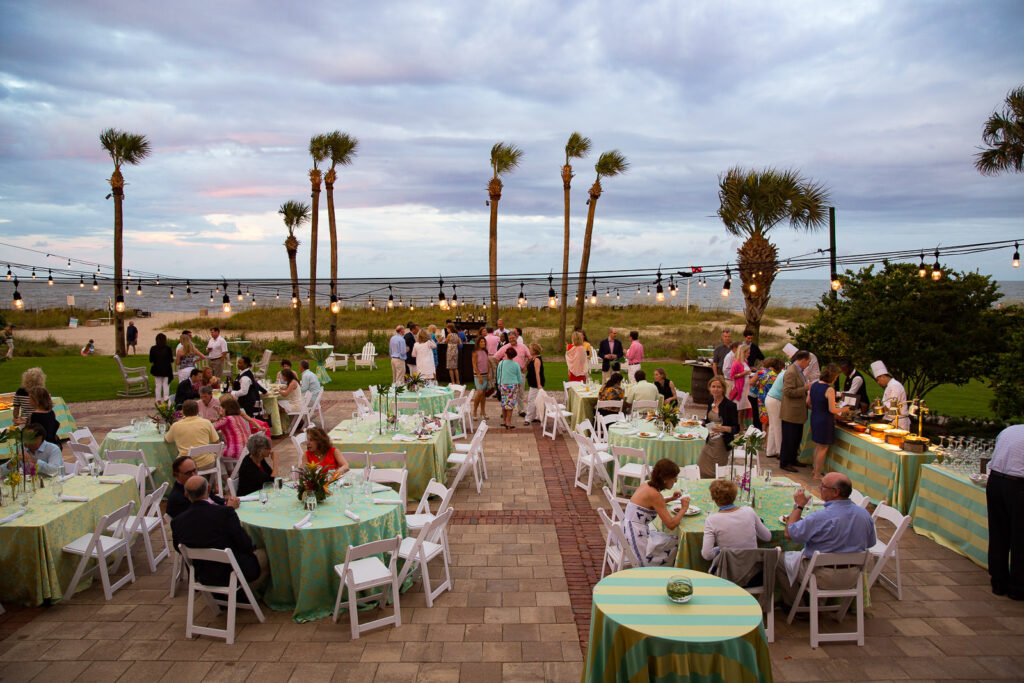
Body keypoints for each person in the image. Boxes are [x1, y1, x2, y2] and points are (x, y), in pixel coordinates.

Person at [778, 473, 876, 605]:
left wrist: (799, 506)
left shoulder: (821, 516)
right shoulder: (864, 515)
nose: (819, 488)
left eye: (823, 486)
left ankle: (796, 604)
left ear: (836, 492)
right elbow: (870, 543)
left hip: (821, 576)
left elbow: (790, 534)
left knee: (778, 558)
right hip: (853, 576)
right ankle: (822, 602)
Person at [171, 476, 268, 589]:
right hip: (231, 572)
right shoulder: (225, 513)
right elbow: (245, 544)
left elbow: (178, 548)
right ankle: (248, 593)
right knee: (266, 554)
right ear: (208, 489)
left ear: (186, 495)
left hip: (203, 575)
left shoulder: (177, 522)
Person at [623, 459, 689, 566]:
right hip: (636, 538)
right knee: (677, 543)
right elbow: (671, 525)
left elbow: (650, 504)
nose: (676, 481)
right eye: (674, 478)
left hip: (627, 531)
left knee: (669, 539)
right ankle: (663, 573)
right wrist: (683, 509)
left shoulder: (646, 485)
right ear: (665, 479)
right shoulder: (655, 495)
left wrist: (671, 498)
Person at [986, 423, 1024, 600]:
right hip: (1017, 486)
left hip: (995, 481)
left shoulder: (1010, 430)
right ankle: (1018, 587)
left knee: (999, 533)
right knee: (1020, 538)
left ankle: (998, 582)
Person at [701, 478, 772, 562]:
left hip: (728, 569)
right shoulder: (749, 511)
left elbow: (707, 555)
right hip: (754, 568)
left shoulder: (711, 520)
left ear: (714, 499)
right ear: (734, 496)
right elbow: (767, 537)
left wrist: (720, 550)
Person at [809, 364, 851, 480]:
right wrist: (844, 409)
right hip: (825, 420)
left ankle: (815, 469)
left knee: (818, 446)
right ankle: (817, 473)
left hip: (815, 417)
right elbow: (832, 409)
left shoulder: (814, 385)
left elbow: (809, 402)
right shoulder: (829, 389)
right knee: (823, 447)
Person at [166, 455, 239, 518]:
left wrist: (226, 501)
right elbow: (203, 519)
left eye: (195, 471)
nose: (193, 475)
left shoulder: (197, 484)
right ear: (176, 476)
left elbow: (212, 497)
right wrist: (229, 508)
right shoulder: (178, 499)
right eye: (188, 473)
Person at [698, 376, 739, 478]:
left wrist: (725, 428)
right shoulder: (711, 401)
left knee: (716, 472)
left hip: (721, 443)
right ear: (709, 388)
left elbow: (736, 428)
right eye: (713, 386)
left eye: (719, 387)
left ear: (723, 389)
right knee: (701, 467)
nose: (716, 389)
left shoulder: (730, 406)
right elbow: (709, 420)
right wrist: (701, 422)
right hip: (710, 440)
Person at [779, 350, 813, 473]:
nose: (809, 364)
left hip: (798, 412)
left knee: (796, 437)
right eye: (808, 361)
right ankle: (785, 462)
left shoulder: (798, 371)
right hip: (791, 412)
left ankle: (793, 459)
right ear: (803, 360)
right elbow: (788, 391)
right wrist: (804, 388)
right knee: (789, 438)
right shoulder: (792, 372)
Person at [163, 400, 219, 465]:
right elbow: (216, 441)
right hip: (207, 463)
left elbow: (167, 439)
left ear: (183, 412)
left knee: (178, 465)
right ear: (198, 411)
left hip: (186, 465)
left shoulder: (176, 425)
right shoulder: (206, 422)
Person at [494, 330, 530, 415]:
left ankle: (521, 410)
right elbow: (496, 357)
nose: (512, 340)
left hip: (520, 372)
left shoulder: (523, 347)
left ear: (516, 337)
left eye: (513, 338)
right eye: (510, 338)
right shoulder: (505, 347)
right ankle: (505, 411)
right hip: (508, 374)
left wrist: (526, 367)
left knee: (520, 392)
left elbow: (530, 357)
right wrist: (502, 366)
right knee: (506, 393)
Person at [213, 395, 259, 460]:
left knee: (213, 456)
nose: (221, 410)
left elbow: (211, 428)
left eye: (222, 408)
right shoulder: (238, 417)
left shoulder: (226, 420)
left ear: (227, 409)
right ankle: (231, 469)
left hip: (236, 451)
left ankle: (228, 470)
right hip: (247, 449)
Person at [870, 361, 910, 430]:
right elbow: (886, 402)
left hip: (899, 422)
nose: (878, 383)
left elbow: (891, 405)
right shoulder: (889, 386)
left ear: (883, 376)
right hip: (890, 420)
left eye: (878, 380)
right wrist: (877, 404)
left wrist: (874, 412)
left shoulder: (895, 386)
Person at [752, 357, 784, 433]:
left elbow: (751, 382)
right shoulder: (776, 376)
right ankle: (768, 439)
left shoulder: (761, 372)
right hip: (773, 399)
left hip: (761, 398)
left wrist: (760, 385)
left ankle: (764, 439)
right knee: (771, 420)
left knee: (764, 420)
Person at [496, 346, 523, 430]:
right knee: (510, 404)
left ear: (506, 354)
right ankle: (508, 422)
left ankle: (504, 421)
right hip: (513, 385)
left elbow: (498, 374)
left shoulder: (501, 363)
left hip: (503, 384)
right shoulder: (516, 364)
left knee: (504, 403)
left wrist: (498, 383)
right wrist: (520, 384)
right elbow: (519, 376)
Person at [728, 344, 753, 422]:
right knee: (739, 408)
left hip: (745, 388)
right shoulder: (736, 362)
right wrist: (744, 373)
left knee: (743, 408)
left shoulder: (745, 361)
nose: (749, 355)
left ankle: (742, 424)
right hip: (739, 388)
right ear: (743, 352)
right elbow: (732, 376)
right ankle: (739, 425)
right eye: (747, 353)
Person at [148, 334, 174, 405]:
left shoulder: (153, 348)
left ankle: (158, 400)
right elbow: (171, 360)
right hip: (166, 369)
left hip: (157, 369)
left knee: (158, 385)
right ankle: (166, 399)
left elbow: (151, 360)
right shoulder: (168, 348)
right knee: (166, 385)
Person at [523, 343, 545, 425]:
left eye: (530, 349)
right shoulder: (533, 358)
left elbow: (537, 373)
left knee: (531, 400)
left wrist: (539, 385)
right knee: (535, 400)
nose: (529, 350)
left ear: (534, 351)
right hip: (532, 382)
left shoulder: (537, 360)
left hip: (535, 384)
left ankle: (528, 418)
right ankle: (536, 416)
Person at [471, 337, 489, 419]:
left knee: (483, 395)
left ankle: (483, 411)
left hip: (486, 375)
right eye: (481, 342)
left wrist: (489, 374)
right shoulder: (475, 352)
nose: (483, 343)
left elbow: (487, 363)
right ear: (478, 343)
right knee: (480, 393)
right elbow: (474, 365)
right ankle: (474, 410)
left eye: (484, 342)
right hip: (478, 375)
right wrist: (479, 376)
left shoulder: (485, 351)